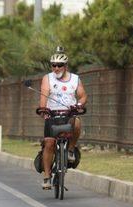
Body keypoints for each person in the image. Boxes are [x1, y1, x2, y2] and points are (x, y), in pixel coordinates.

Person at [38, 48, 88, 190]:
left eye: (59, 65)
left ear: (65, 66)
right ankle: (47, 177)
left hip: (69, 114)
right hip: (52, 114)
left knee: (77, 123)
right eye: (53, 65)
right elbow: (44, 95)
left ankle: (71, 150)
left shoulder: (75, 79)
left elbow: (83, 95)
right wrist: (43, 109)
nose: (56, 68)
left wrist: (79, 105)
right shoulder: (47, 78)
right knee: (49, 144)